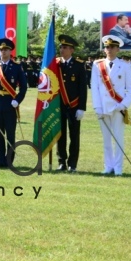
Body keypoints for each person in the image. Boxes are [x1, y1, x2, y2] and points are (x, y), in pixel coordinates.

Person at [91, 35, 131, 176]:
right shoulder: (97, 65)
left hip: (118, 108)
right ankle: (108, 166)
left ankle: (118, 168)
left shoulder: (124, 65)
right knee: (106, 140)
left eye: (111, 47)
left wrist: (123, 105)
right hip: (103, 107)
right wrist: (97, 106)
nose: (108, 49)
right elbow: (95, 87)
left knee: (118, 138)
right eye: (106, 47)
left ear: (117, 49)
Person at [0, 38, 27, 168]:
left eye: (6, 49)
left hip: (10, 103)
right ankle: (1, 160)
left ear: (10, 51)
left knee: (10, 134)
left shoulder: (17, 67)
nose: (3, 52)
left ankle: (9, 160)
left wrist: (17, 100)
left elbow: (24, 87)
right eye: (1, 50)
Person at [56, 35, 88, 172]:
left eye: (65, 48)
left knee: (74, 136)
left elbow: (82, 88)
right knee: (60, 135)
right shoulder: (56, 64)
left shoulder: (79, 65)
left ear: (71, 50)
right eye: (61, 47)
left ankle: (72, 164)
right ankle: (61, 162)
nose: (62, 50)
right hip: (59, 105)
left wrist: (81, 108)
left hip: (74, 106)